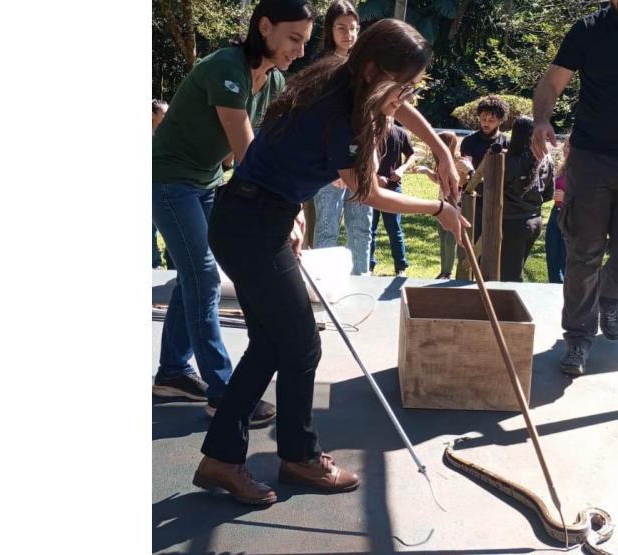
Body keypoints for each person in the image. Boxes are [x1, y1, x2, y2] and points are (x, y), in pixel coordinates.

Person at [193, 18, 467, 505]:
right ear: (374, 71)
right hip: (253, 227)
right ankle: (298, 457)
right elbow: (367, 192)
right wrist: (438, 209)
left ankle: (223, 459)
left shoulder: (343, 73)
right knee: (301, 345)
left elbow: (397, 106)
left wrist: (441, 151)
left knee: (271, 345)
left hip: (253, 216)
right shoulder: (342, 114)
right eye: (402, 84)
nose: (405, 96)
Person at [151, 0, 315, 421]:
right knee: (204, 276)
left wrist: (295, 202)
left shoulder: (274, 81)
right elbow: (247, 153)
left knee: (194, 275)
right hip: (168, 180)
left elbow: (274, 148)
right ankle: (224, 391)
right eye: (294, 39)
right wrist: (282, 208)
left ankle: (172, 372)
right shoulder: (227, 68)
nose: (300, 51)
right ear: (265, 26)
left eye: (305, 42)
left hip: (206, 181)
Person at [531, 0, 618, 375]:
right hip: (591, 158)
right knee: (583, 252)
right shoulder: (588, 30)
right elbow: (552, 82)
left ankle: (609, 298)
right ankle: (578, 338)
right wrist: (541, 119)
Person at [309, 1, 372, 275]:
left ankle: (362, 283)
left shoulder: (367, 68)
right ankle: (322, 284)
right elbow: (318, 120)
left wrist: (370, 157)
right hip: (330, 163)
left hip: (361, 160)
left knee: (361, 228)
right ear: (330, 30)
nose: (349, 34)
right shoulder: (323, 68)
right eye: (341, 28)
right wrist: (334, 164)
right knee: (327, 229)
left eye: (354, 28)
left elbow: (373, 117)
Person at [499, 116, 555, 282]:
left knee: (509, 277)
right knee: (514, 271)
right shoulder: (547, 159)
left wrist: (470, 174)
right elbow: (548, 194)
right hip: (534, 221)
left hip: (512, 222)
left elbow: (488, 189)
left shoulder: (509, 161)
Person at [415, 131, 473, 279]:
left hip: (456, 205)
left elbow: (464, 181)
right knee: (442, 239)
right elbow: (438, 179)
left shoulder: (459, 161)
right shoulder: (442, 161)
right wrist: (426, 171)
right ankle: (443, 271)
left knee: (449, 240)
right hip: (442, 205)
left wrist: (464, 174)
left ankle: (447, 272)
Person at [368, 122, 416, 276]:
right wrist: (375, 177)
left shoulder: (400, 133)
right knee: (369, 229)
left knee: (394, 229)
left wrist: (401, 169)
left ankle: (400, 267)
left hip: (393, 188)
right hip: (371, 188)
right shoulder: (370, 131)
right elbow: (358, 157)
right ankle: (369, 265)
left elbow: (411, 155)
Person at [459, 95, 510, 239]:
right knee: (469, 240)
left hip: (496, 200)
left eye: (491, 120)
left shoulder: (507, 143)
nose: (486, 123)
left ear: (500, 120)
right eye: (483, 119)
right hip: (473, 198)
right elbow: (463, 174)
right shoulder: (469, 141)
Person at [544, 135, 570, 283]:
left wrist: (566, 198)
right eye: (565, 145)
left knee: (566, 257)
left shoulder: (585, 170)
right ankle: (553, 286)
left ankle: (568, 290)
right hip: (556, 213)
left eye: (570, 146)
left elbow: (589, 198)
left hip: (572, 216)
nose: (565, 149)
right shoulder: (562, 166)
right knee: (552, 254)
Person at [152, 99, 169, 270]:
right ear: (152, 115)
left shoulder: (170, 136)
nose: (169, 117)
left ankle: (174, 266)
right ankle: (154, 265)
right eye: (165, 114)